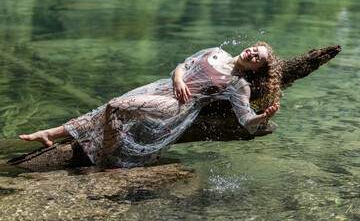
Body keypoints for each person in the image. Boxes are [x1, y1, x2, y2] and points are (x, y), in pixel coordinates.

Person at [19, 42, 281, 168]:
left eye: (258, 58)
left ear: (257, 68)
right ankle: (49, 133)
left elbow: (245, 120)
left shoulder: (239, 84)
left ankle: (106, 157)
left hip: (176, 106)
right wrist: (179, 80)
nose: (253, 54)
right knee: (104, 111)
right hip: (163, 88)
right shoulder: (216, 52)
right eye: (255, 49)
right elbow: (182, 66)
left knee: (115, 106)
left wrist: (262, 117)